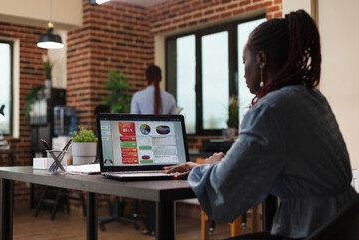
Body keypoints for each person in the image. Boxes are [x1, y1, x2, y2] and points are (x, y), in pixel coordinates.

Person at [164, 10, 357, 240]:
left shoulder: (271, 109)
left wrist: (209, 166)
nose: (243, 72)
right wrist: (206, 168)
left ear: (262, 60)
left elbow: (225, 199)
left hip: (310, 230)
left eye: (245, 60)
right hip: (344, 225)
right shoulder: (311, 97)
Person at [130, 65, 177, 236]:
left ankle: (150, 226)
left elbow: (133, 123)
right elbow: (173, 124)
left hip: (145, 148)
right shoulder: (170, 98)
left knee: (149, 186)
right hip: (166, 147)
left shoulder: (138, 96)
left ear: (147, 77)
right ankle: (164, 225)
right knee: (164, 185)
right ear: (161, 77)